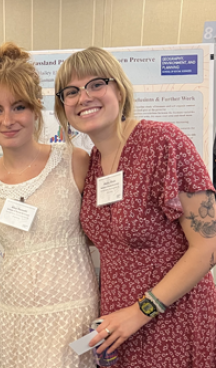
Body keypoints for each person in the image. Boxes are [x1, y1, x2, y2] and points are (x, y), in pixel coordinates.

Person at [54, 46, 216, 367]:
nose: (83, 97)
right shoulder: (94, 163)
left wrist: (141, 311)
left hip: (173, 319)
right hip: (118, 328)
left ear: (119, 89)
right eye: (70, 91)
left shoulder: (163, 142)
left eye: (96, 84)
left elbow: (208, 246)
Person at [0, 42, 99, 367]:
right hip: (13, 318)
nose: (8, 120)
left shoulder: (75, 161)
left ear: (35, 109)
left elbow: (102, 239)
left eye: (19, 107)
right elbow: (12, 250)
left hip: (73, 313)